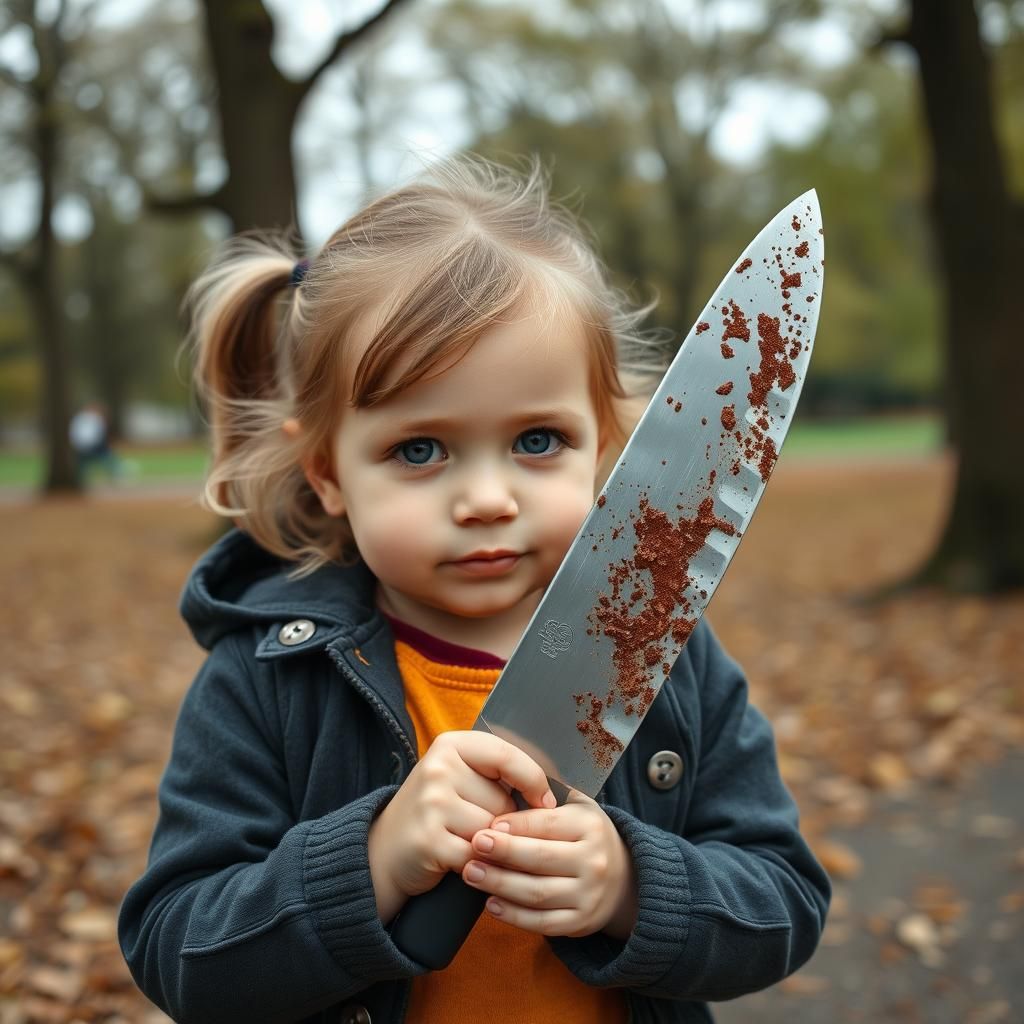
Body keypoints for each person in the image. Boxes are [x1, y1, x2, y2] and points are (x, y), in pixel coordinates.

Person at [118, 157, 829, 1024]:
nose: (488, 499)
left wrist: (633, 888)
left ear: (605, 442)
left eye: (538, 439)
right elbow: (176, 950)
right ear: (327, 472)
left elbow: (785, 900)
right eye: (419, 450)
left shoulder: (662, 655)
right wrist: (370, 864)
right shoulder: (266, 680)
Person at [69, 401, 120, 485]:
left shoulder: (80, 418)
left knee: (83, 465)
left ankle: (115, 474)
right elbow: (95, 436)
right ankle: (116, 475)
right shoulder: (93, 419)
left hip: (82, 448)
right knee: (107, 459)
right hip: (91, 448)